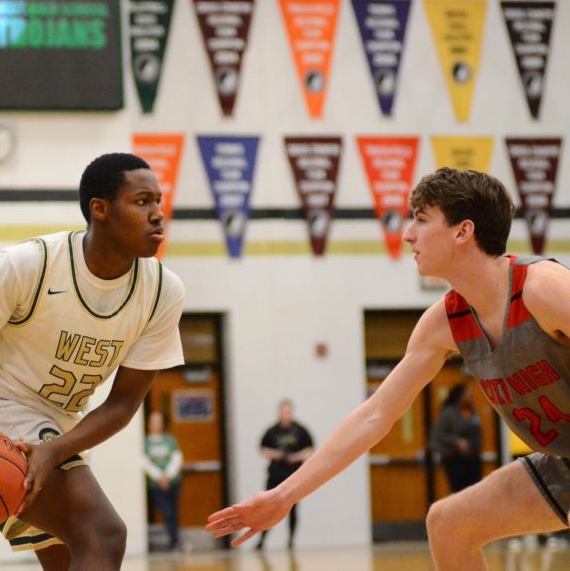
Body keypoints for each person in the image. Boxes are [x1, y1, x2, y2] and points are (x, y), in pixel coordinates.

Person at [207, 167, 570, 571]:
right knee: (449, 524)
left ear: (462, 231)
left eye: (421, 218)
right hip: (562, 460)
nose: (408, 233)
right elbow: (374, 415)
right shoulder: (444, 322)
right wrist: (284, 495)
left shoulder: (544, 289)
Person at [0, 153, 186, 571]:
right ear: (100, 209)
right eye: (142, 202)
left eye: (158, 201)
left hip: (55, 424)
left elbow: (122, 405)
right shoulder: (31, 265)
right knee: (103, 534)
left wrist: (54, 449)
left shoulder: (161, 294)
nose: (157, 214)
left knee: (70, 557)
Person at [254, 399, 313, 550]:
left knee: (293, 509)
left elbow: (309, 450)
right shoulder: (272, 431)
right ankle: (262, 540)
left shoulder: (300, 430)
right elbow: (262, 449)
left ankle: (291, 541)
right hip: (275, 474)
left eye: (288, 411)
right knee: (269, 508)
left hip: (293, 475)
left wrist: (294, 457)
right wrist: (277, 454)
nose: (285, 414)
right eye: (283, 411)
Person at [430, 383, 482, 493]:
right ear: (460, 396)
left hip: (473, 458)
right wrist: (456, 442)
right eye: (468, 394)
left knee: (475, 491)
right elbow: (439, 434)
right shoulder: (449, 413)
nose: (471, 397)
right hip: (455, 460)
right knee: (460, 491)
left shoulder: (473, 412)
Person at [143, 410, 183, 551]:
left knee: (174, 512)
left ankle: (176, 542)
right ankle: (173, 541)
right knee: (167, 512)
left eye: (159, 421)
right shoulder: (145, 442)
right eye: (153, 422)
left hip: (173, 482)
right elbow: (145, 462)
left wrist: (168, 475)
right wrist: (159, 477)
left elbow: (176, 458)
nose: (156, 424)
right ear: (149, 424)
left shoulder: (169, 440)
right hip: (156, 485)